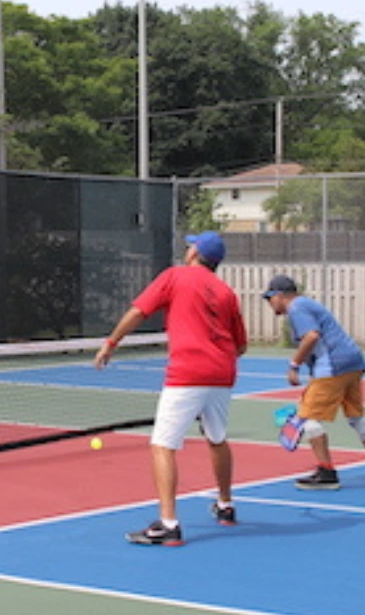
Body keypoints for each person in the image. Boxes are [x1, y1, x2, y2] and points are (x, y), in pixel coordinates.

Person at [94, 231, 248, 546]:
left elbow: (139, 311)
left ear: (195, 253)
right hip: (222, 373)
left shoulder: (175, 276)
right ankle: (225, 505)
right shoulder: (227, 292)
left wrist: (111, 343)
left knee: (163, 445)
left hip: (187, 373)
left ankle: (168, 524)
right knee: (217, 438)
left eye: (190, 245)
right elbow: (240, 345)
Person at [262, 274, 365, 489]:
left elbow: (311, 337)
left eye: (270, 298)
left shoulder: (297, 307)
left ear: (280, 295)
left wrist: (294, 365)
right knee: (356, 418)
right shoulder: (307, 304)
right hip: (353, 363)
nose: (269, 303)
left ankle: (326, 472)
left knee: (309, 419)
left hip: (332, 366)